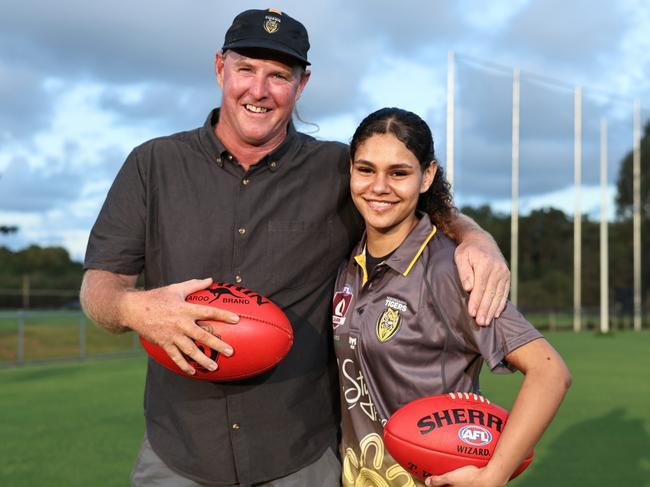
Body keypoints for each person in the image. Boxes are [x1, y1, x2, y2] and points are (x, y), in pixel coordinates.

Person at [80, 9, 511, 487]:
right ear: (220, 67)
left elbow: (408, 202)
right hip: (178, 453)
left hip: (300, 457)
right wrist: (133, 307)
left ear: (302, 84)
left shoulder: (336, 169)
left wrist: (476, 238)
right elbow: (98, 286)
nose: (259, 90)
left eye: (279, 76)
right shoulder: (152, 164)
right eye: (246, 69)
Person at [332, 107, 571, 487]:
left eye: (399, 173)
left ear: (427, 176)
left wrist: (493, 475)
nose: (379, 186)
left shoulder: (449, 269)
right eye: (366, 170)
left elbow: (549, 372)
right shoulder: (350, 256)